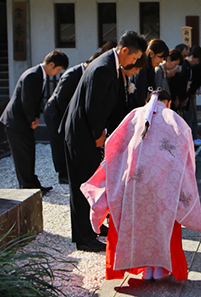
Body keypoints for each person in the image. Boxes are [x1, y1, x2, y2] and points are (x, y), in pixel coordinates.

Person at [81, 90, 201, 281]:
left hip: (133, 181)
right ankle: (161, 270)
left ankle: (145, 270)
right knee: (163, 225)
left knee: (136, 225)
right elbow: (186, 153)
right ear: (168, 102)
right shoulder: (174, 118)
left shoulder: (134, 115)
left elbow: (114, 145)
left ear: (147, 100)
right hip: (164, 182)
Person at [62, 31, 147, 252]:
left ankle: (93, 229)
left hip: (89, 132)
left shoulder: (112, 65)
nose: (134, 63)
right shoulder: (103, 67)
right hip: (83, 134)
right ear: (125, 50)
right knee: (83, 185)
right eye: (135, 58)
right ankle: (83, 237)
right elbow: (93, 105)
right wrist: (98, 133)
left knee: (92, 181)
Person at [0, 50, 69, 194]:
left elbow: (35, 100)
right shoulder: (33, 75)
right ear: (51, 64)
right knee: (23, 156)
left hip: (22, 120)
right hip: (17, 121)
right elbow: (28, 100)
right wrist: (32, 118)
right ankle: (28, 187)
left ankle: (32, 185)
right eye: (58, 69)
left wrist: (36, 116)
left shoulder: (38, 74)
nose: (57, 73)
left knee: (28, 153)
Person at [43, 54, 97, 184]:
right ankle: (62, 174)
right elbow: (61, 99)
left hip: (66, 113)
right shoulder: (73, 74)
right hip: (55, 113)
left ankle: (69, 171)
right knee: (59, 143)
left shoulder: (84, 74)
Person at [107, 54, 148, 135]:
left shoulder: (125, 78)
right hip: (112, 125)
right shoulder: (115, 78)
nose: (137, 72)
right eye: (137, 68)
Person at [133, 39, 169, 108]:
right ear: (151, 53)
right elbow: (140, 97)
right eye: (160, 57)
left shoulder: (151, 69)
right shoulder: (142, 69)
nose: (161, 61)